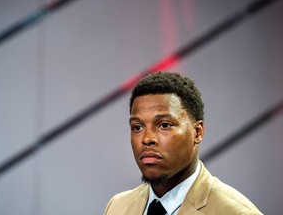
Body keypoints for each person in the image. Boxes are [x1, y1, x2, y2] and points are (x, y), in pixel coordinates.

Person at [104, 71, 263, 215]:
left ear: (198, 132)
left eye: (164, 125)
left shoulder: (238, 213)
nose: (147, 139)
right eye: (137, 127)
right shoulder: (117, 207)